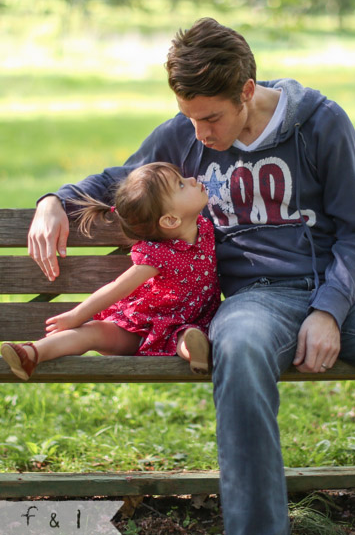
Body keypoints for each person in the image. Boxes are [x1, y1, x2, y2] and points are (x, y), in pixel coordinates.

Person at [27, 18, 355, 535]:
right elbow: (118, 181)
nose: (199, 135)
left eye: (211, 118)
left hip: (341, 299)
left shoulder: (321, 123)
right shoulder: (187, 133)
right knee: (237, 347)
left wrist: (327, 312)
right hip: (253, 305)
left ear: (246, 90)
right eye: (188, 118)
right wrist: (52, 201)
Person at [3, 162, 220, 381]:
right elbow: (117, 289)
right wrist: (75, 316)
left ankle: (195, 353)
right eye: (181, 185)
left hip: (190, 323)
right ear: (170, 220)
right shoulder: (158, 255)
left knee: (186, 335)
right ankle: (31, 353)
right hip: (141, 328)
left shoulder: (206, 228)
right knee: (94, 331)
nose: (192, 180)